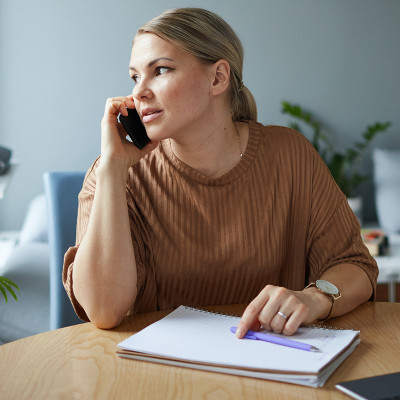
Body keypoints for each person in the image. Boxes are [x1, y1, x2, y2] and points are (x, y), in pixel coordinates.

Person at [63, 7, 378, 337]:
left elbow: (356, 267)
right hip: (159, 376)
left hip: (273, 369)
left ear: (218, 78)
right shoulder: (115, 174)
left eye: (160, 70)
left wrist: (314, 298)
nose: (139, 92)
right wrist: (112, 170)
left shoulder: (290, 156)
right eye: (135, 76)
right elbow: (103, 310)